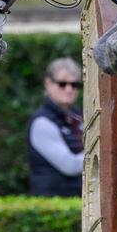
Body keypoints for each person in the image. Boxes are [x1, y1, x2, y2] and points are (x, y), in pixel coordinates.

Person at [27, 57, 84, 196]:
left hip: (77, 202)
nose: (69, 89)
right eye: (62, 84)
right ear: (48, 84)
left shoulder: (78, 115)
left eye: (75, 84)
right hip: (54, 204)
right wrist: (105, 153)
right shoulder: (42, 123)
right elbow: (69, 165)